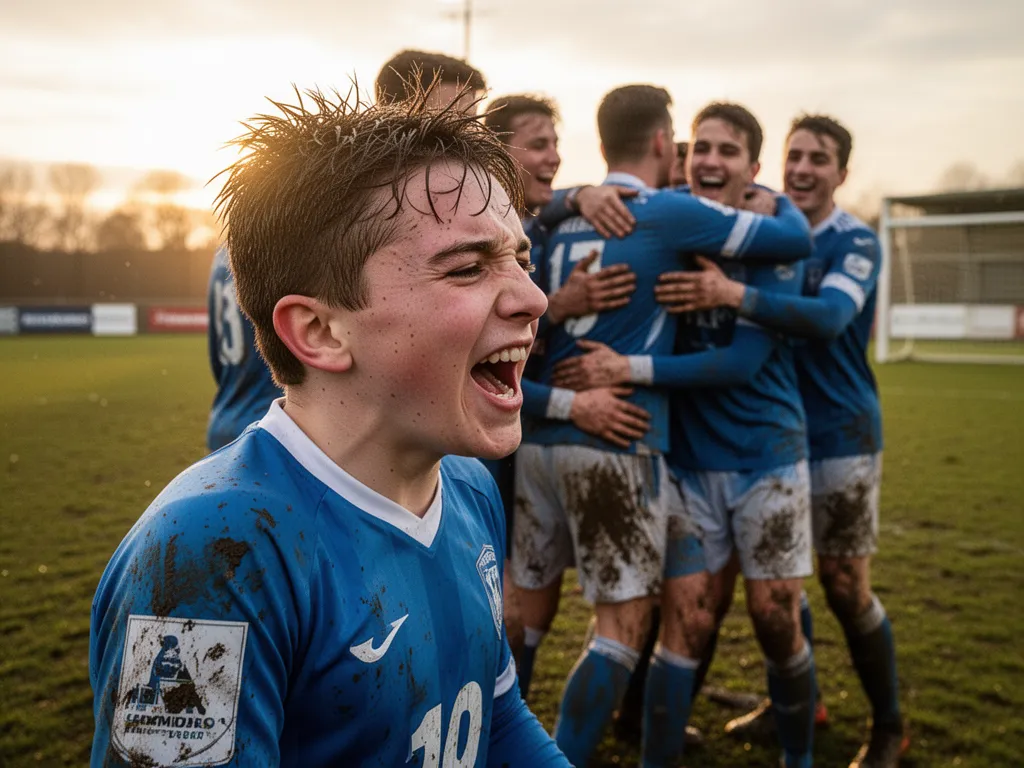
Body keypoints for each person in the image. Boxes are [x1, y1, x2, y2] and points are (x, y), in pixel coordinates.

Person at [89, 85, 573, 767]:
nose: (533, 298)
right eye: (468, 267)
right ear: (318, 331)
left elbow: (495, 718)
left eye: (519, 259)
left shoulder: (466, 486)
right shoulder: (208, 556)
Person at [512, 87, 811, 767]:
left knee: (540, 615)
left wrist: (573, 195)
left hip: (541, 439)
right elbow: (794, 237)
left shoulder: (555, 221)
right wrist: (777, 195)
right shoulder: (670, 212)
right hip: (619, 440)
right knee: (620, 627)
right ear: (660, 143)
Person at [656, 114, 907, 768]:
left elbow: (827, 319)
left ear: (841, 174)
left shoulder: (854, 241)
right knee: (773, 592)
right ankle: (798, 704)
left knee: (844, 585)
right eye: (795, 156)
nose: (804, 169)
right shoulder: (761, 225)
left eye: (818, 160)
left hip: (841, 433)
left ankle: (889, 727)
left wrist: (729, 293)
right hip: (769, 434)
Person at [205, 50, 491, 452]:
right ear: (397, 119)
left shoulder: (254, 232)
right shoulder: (333, 232)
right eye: (452, 122)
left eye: (475, 126)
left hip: (235, 421)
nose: (470, 141)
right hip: (300, 438)